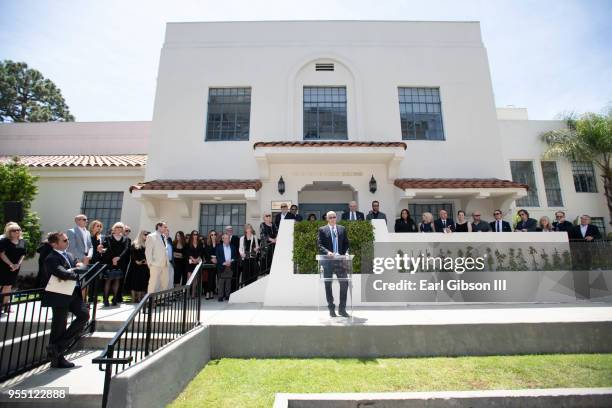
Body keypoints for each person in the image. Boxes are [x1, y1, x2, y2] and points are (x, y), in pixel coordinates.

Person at [42, 231, 89, 368]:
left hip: (73, 293)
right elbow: (60, 272)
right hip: (59, 294)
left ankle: (57, 347)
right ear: (54, 244)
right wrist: (75, 271)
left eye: (67, 240)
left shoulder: (69, 255)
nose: (67, 242)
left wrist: (78, 267)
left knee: (84, 315)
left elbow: (77, 265)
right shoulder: (51, 257)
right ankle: (57, 360)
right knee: (59, 326)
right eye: (64, 240)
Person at [317, 211, 350, 318]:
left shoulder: (342, 229)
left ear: (336, 218)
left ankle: (342, 309)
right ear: (327, 219)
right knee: (328, 285)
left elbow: (346, 243)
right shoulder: (322, 230)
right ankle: (331, 309)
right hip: (328, 262)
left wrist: (346, 253)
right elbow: (319, 245)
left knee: (344, 284)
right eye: (330, 217)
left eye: (334, 217)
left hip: (340, 261)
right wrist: (328, 252)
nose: (332, 219)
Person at [0, 222, 27, 315]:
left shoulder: (23, 241)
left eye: (18, 230)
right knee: (2, 285)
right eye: (13, 230)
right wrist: (11, 264)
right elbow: (2, 254)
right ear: (9, 232)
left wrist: (18, 264)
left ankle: (6, 305)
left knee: (9, 286)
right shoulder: (4, 241)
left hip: (16, 267)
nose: (16, 232)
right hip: (4, 266)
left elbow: (23, 254)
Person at [101, 222, 129, 306]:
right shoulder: (108, 238)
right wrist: (113, 258)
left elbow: (125, 249)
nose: (119, 229)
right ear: (114, 228)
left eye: (121, 228)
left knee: (117, 280)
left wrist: (118, 258)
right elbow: (106, 247)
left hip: (120, 262)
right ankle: (105, 299)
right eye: (117, 227)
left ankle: (114, 299)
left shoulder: (125, 239)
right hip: (109, 261)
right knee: (108, 280)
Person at [145, 221, 170, 294]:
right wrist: (150, 264)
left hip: (165, 264)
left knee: (164, 284)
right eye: (165, 227)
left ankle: (160, 300)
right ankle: (150, 302)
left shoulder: (164, 237)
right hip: (155, 264)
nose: (166, 228)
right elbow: (148, 252)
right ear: (159, 227)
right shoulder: (151, 236)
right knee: (153, 283)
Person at [127, 230, 150, 303]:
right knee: (134, 282)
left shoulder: (148, 244)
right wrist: (137, 261)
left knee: (143, 282)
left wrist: (147, 261)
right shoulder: (135, 243)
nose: (147, 236)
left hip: (144, 267)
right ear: (141, 235)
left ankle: (140, 298)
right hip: (135, 266)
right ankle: (134, 298)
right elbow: (132, 254)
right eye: (145, 234)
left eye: (148, 235)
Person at [216, 232, 238, 301]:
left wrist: (230, 261)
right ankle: (220, 296)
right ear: (222, 239)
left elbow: (235, 256)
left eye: (228, 238)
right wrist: (224, 263)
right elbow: (218, 257)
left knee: (228, 282)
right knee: (221, 282)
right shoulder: (219, 247)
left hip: (230, 266)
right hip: (222, 266)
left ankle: (227, 295)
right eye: (225, 238)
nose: (227, 240)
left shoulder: (233, 247)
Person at [203, 230, 219, 300]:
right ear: (210, 236)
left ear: (216, 236)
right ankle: (207, 292)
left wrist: (217, 259)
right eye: (211, 235)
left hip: (216, 263)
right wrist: (211, 259)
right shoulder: (207, 244)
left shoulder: (219, 244)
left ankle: (212, 291)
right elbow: (206, 254)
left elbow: (220, 253)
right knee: (208, 278)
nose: (213, 236)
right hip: (209, 263)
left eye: (214, 234)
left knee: (213, 278)